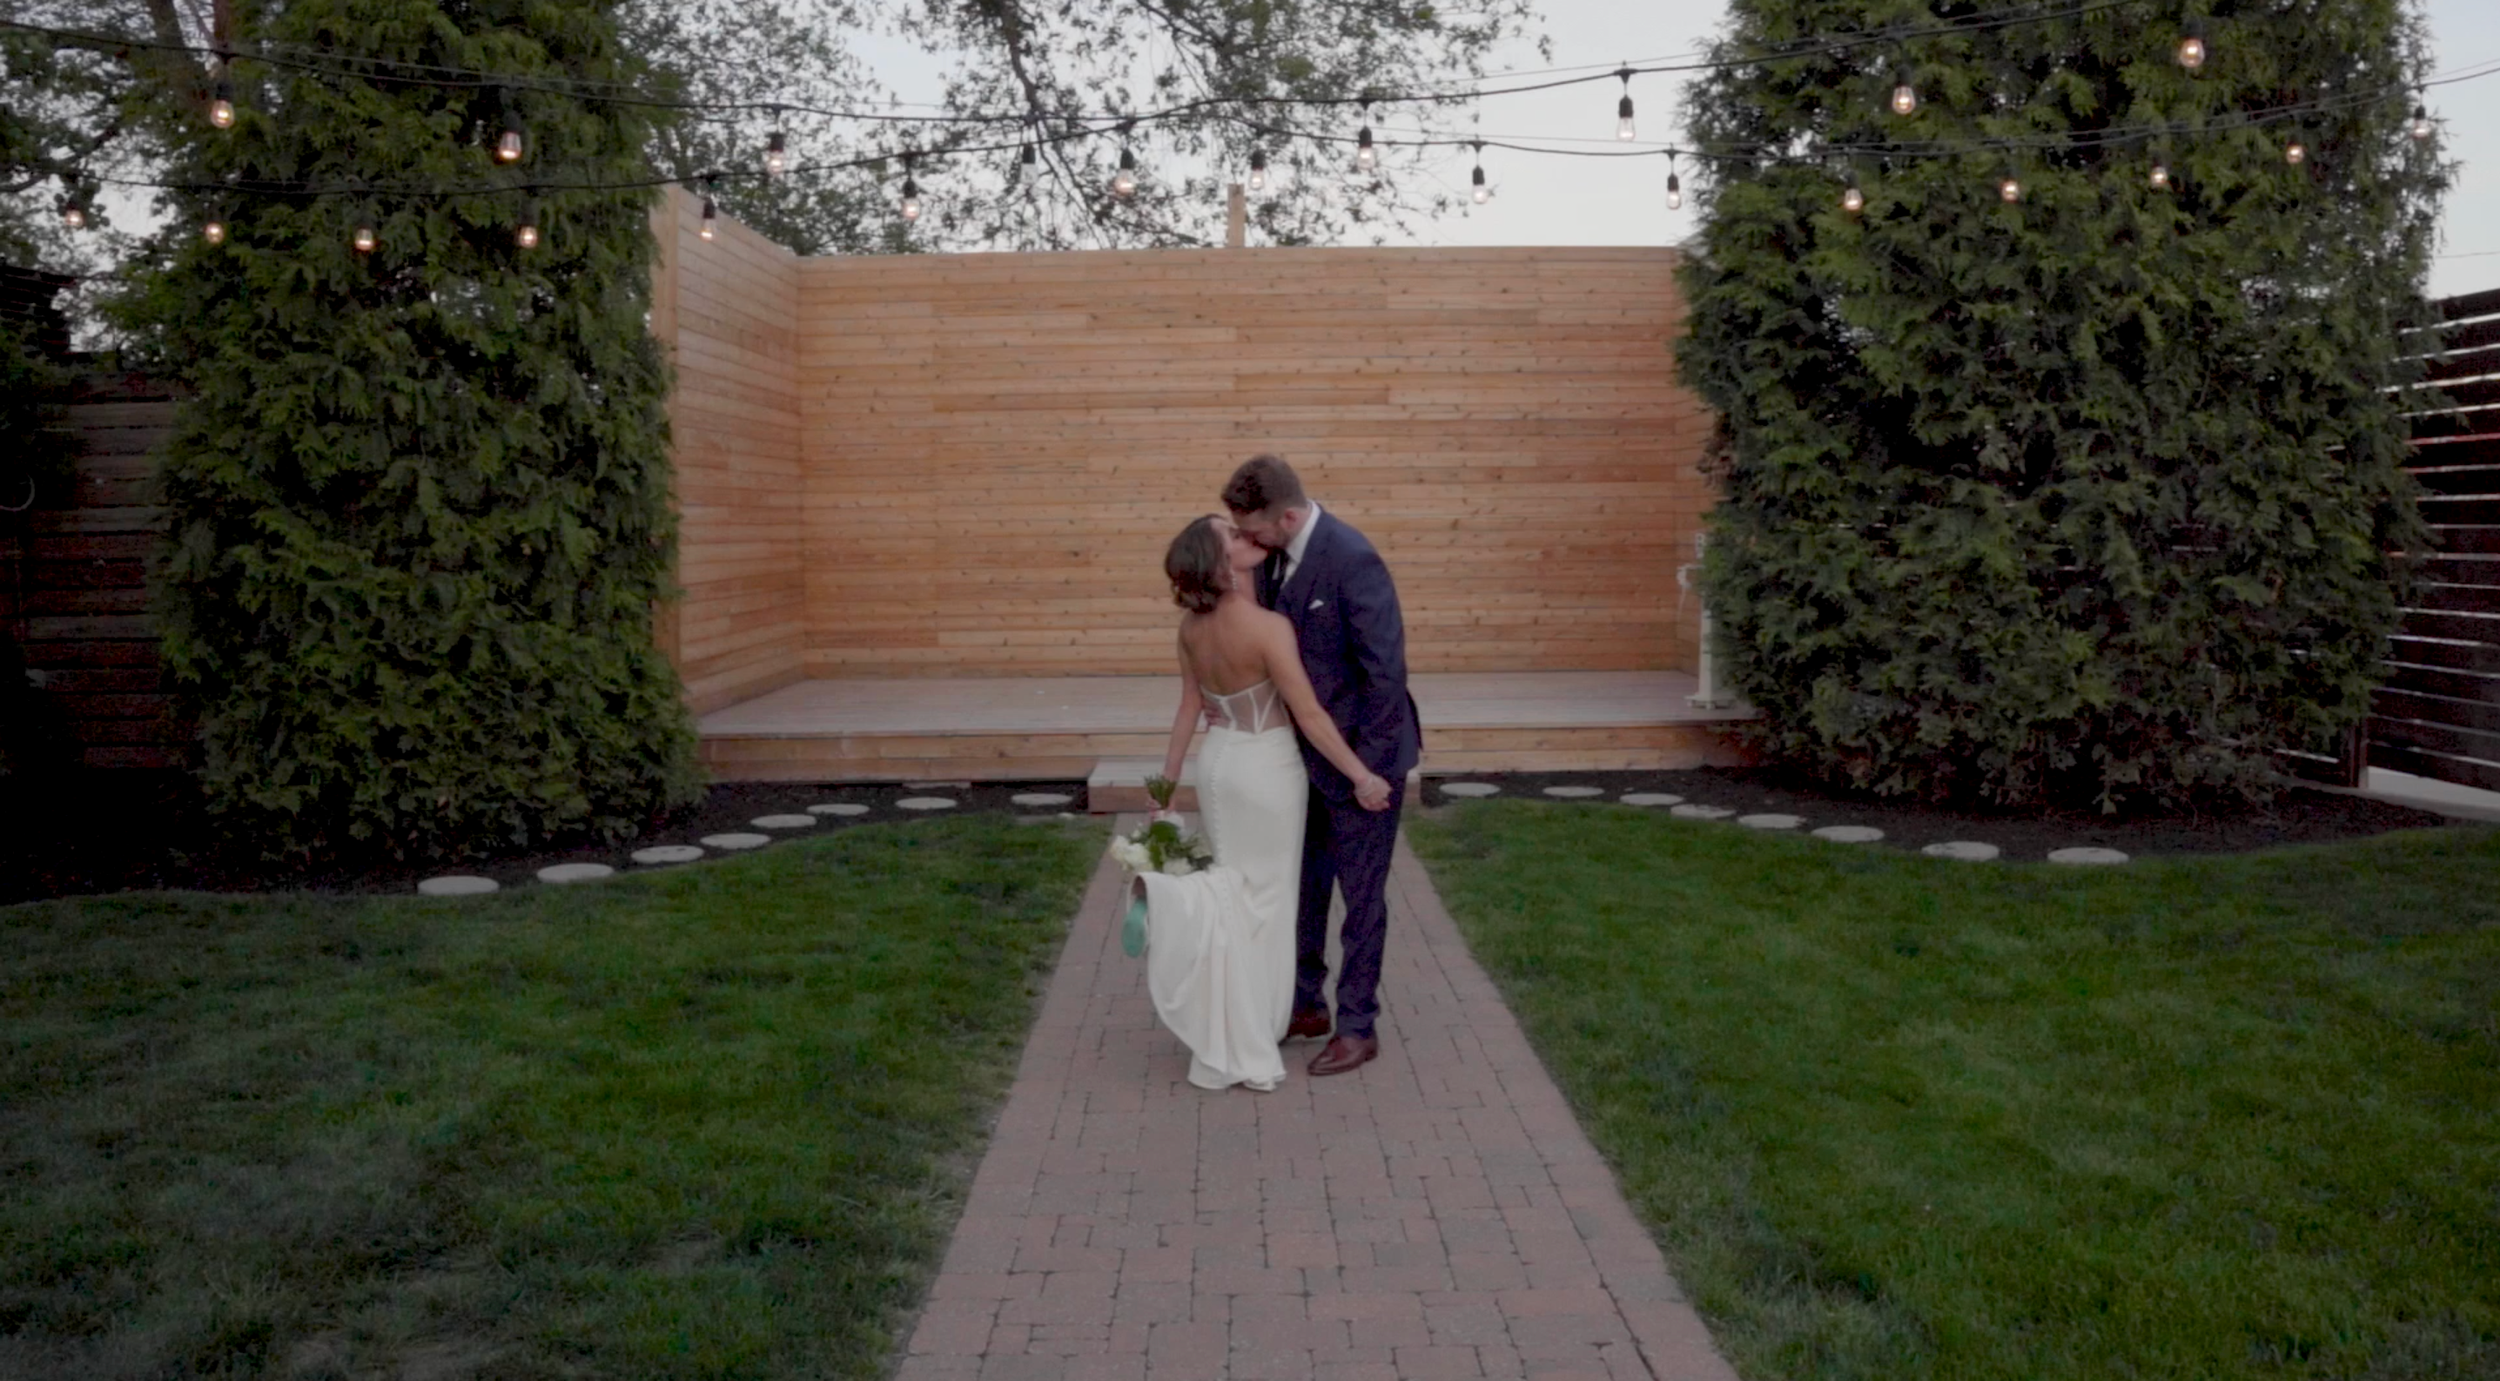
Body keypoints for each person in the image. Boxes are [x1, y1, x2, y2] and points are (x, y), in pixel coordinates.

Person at [1127, 515, 1391, 1092]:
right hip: (1267, 769)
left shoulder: (1191, 630)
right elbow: (1310, 715)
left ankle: (1231, 1014)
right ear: (1222, 563)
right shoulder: (1269, 627)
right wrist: (1362, 776)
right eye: (1234, 539)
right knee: (1266, 903)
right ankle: (1250, 1031)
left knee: (1233, 889)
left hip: (1217, 764)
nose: (1248, 541)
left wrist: (1167, 784)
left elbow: (1187, 708)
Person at [1221, 454, 1422, 1078]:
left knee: (1360, 901)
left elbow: (1385, 675)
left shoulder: (1351, 557)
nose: (1245, 540)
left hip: (1364, 759)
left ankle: (1357, 1027)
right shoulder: (1273, 553)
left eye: (1252, 528)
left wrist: (1370, 776)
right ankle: (1304, 1004)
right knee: (1305, 889)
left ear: (1286, 515)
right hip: (1300, 761)